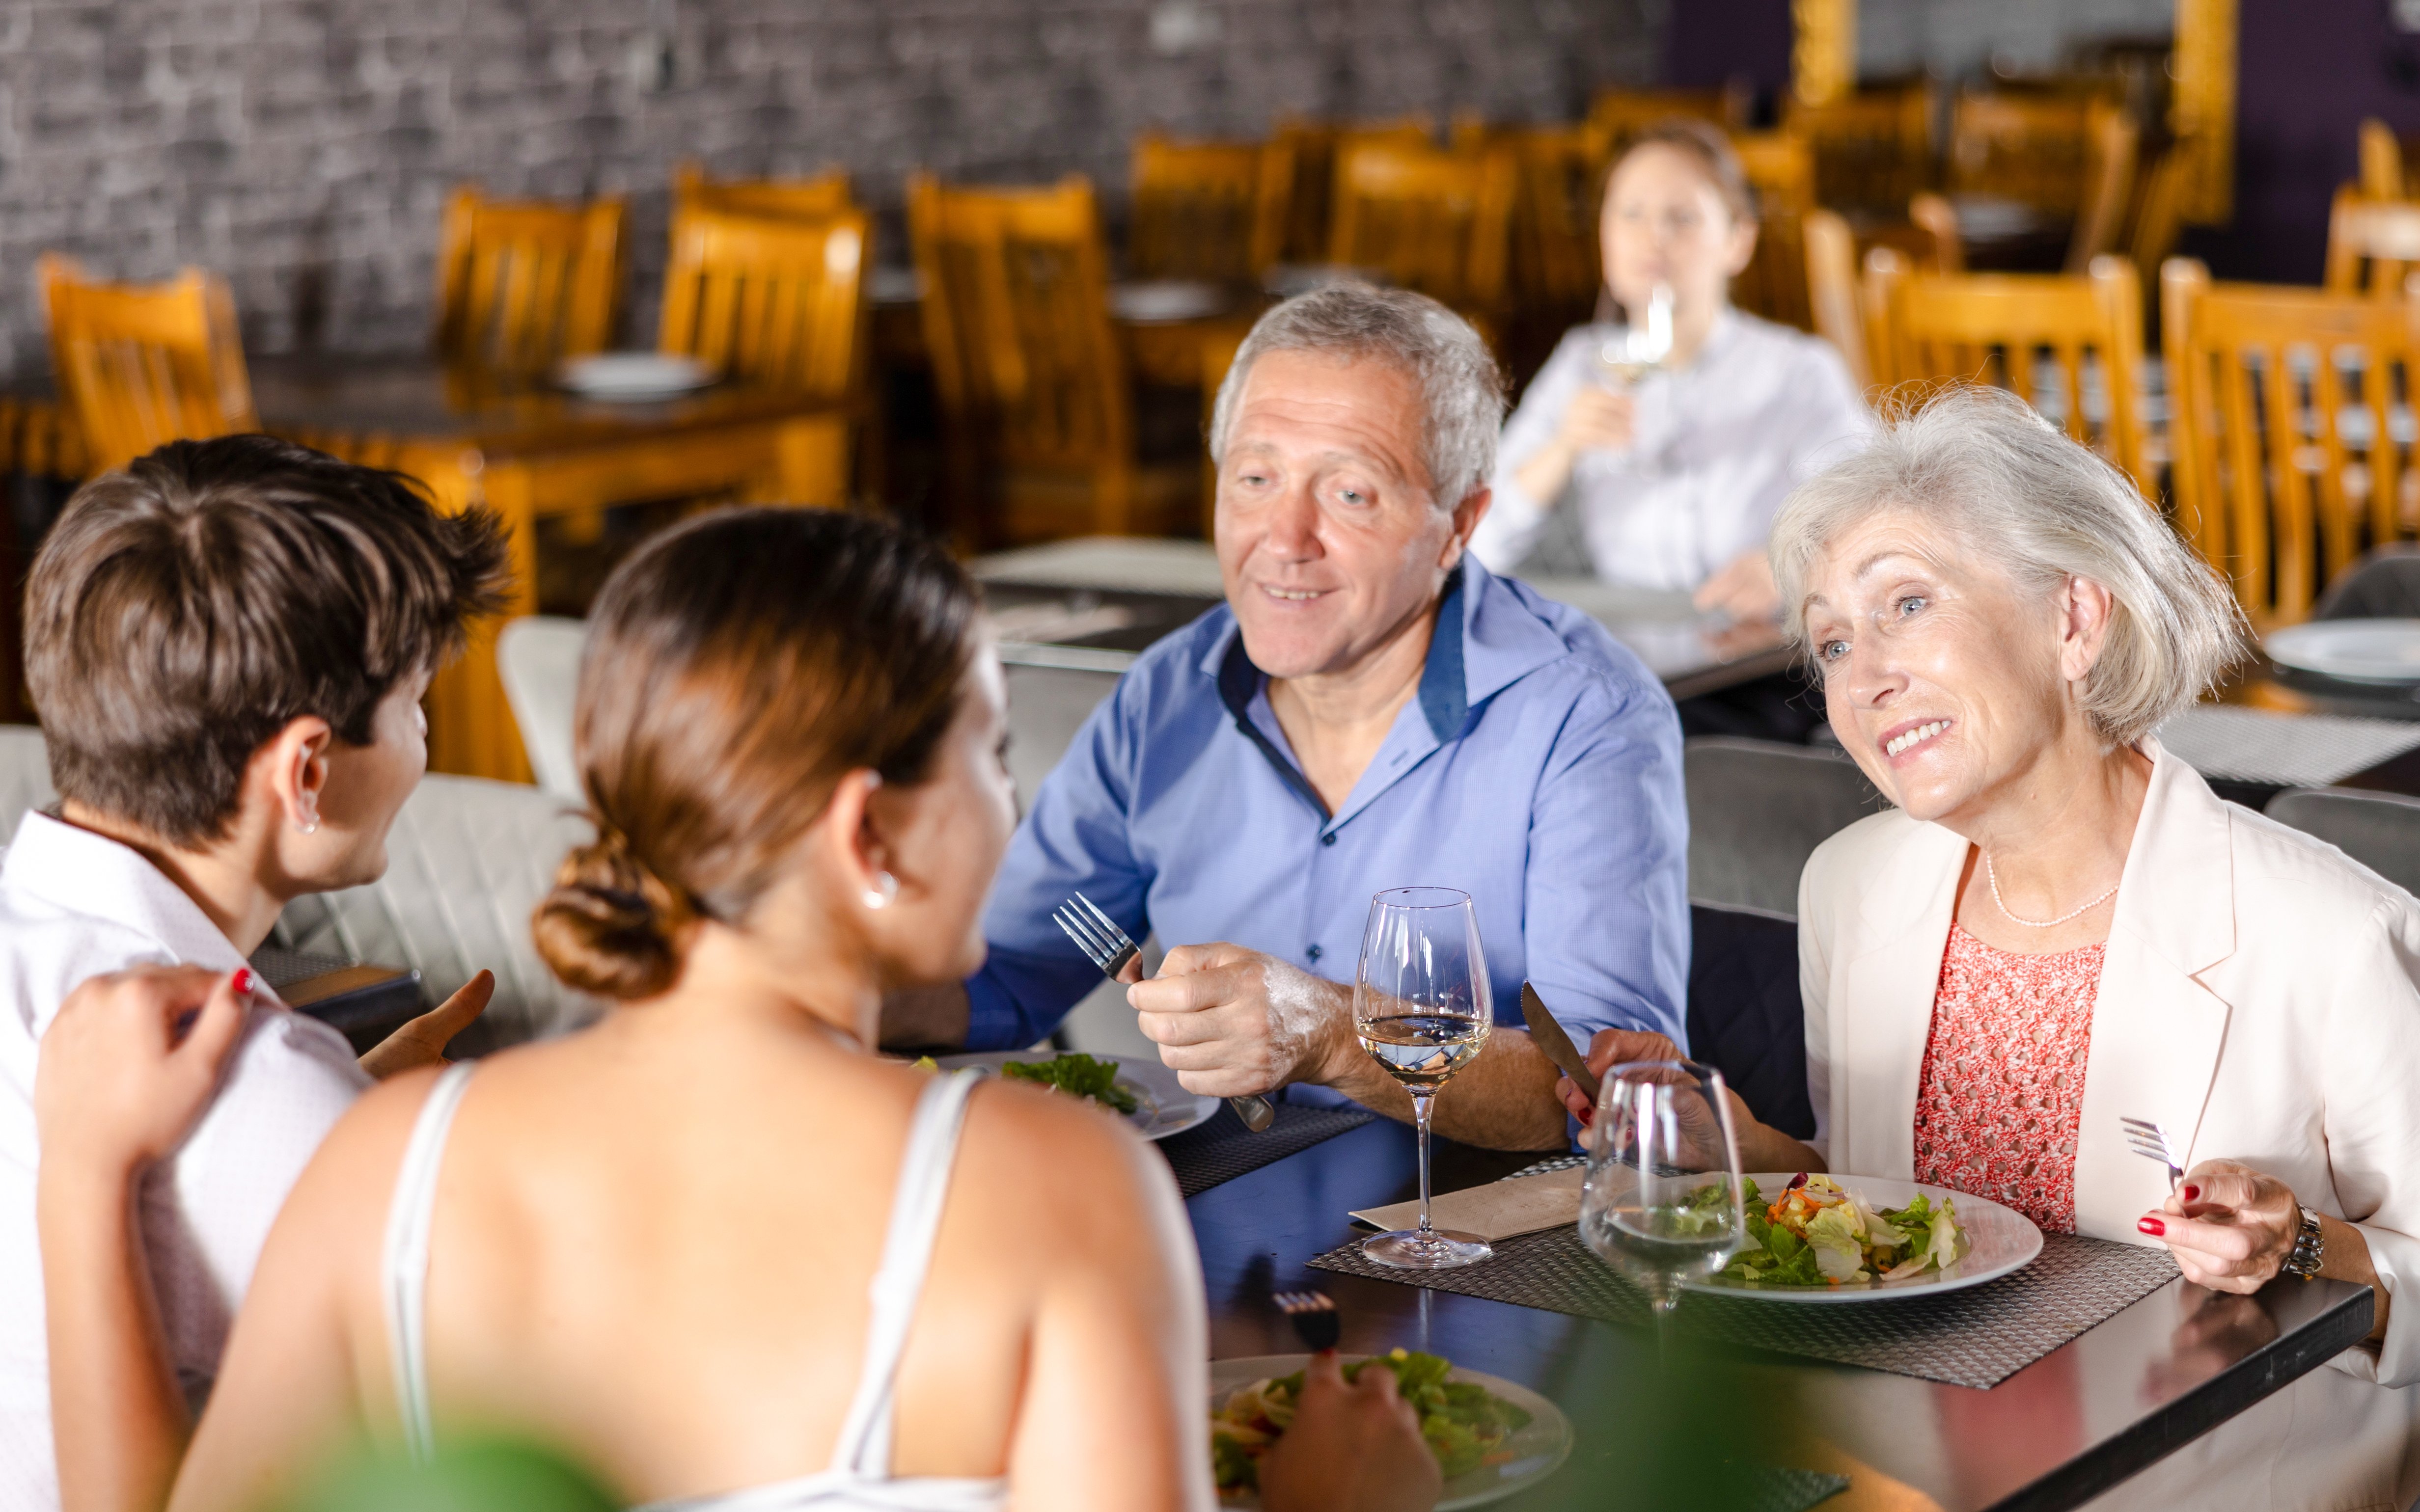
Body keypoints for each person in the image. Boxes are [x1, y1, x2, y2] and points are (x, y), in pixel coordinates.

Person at [118, 508, 1440, 1512]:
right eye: (989, 756)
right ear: (870, 830)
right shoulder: (1050, 1192)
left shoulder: (380, 1165)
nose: (1013, 803)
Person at [1559, 386, 2420, 1510]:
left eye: (1907, 603)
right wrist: (1752, 1153)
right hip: (1894, 1476)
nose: (1864, 676)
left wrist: (2302, 1245)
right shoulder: (1855, 889)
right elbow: (1904, 1224)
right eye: (1832, 640)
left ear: (2074, 619)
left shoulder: (2334, 933)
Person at [887, 283, 1690, 1153]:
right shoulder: (1166, 693)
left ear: (1458, 523)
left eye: (1349, 494)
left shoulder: (1587, 716)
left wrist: (1334, 1035)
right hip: (1217, 1208)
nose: (1285, 535)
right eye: (1256, 479)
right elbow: (1005, 981)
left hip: (1478, 1239)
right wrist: (797, 979)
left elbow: (1602, 1099)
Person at [2, 435, 508, 1511]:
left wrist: (343, 1102)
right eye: (418, 704)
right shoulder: (258, 1090)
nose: (423, 741)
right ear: (309, 769)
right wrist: (322, 1118)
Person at [1472, 118, 1870, 741]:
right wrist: (1562, 448)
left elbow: (1869, 517)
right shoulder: (1585, 362)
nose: (1652, 237)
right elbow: (1476, 543)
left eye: (1681, 218)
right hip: (1623, 653)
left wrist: (1788, 568)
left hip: (1756, 664)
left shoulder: (1796, 370)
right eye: (1629, 214)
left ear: (1737, 240)